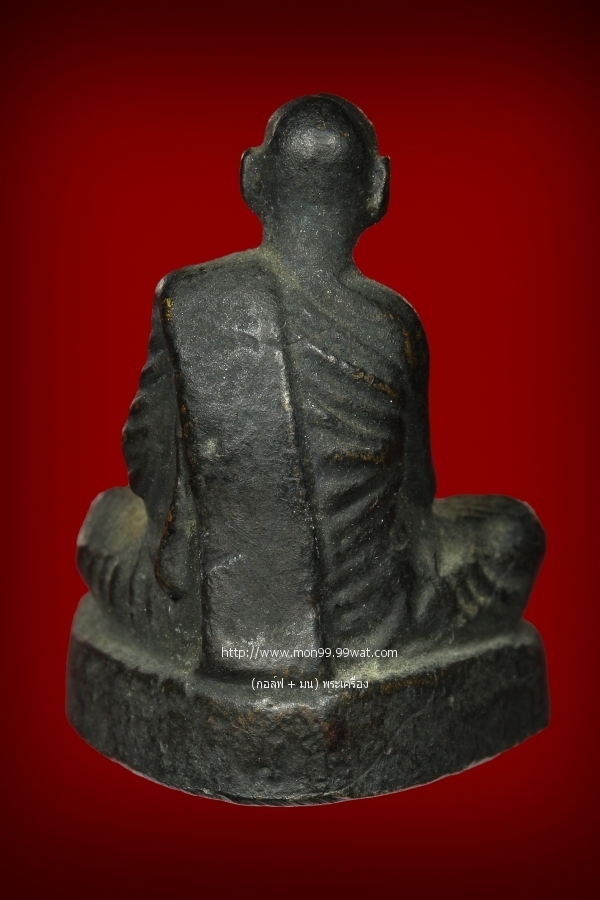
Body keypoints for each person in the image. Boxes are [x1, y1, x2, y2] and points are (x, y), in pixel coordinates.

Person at [78, 94, 545, 675]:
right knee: (511, 531)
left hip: (204, 623)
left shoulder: (187, 298)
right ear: (377, 190)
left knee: (105, 518)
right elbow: (414, 499)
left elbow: (144, 458)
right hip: (368, 627)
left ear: (252, 178)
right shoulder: (394, 325)